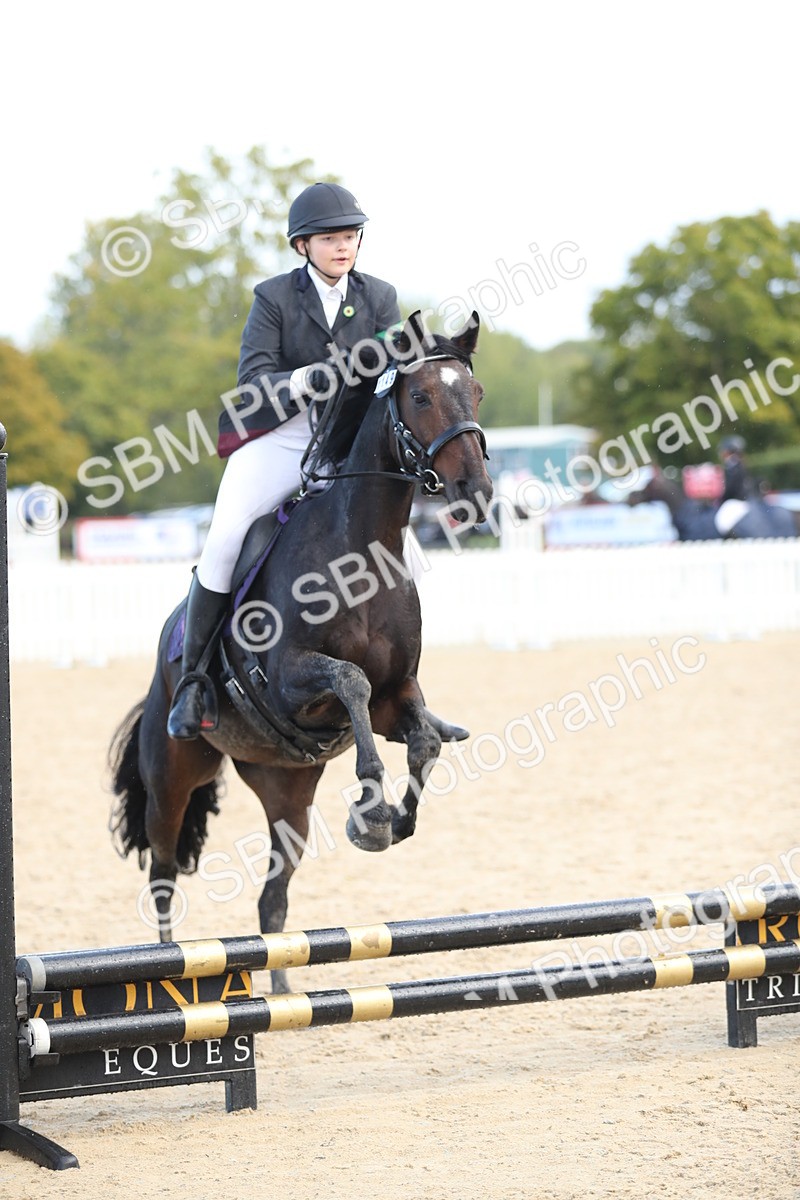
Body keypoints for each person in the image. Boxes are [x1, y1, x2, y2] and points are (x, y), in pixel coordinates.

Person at [167, 182, 399, 740]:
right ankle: (194, 681)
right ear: (302, 246)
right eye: (330, 239)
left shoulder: (380, 296)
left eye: (350, 237)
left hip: (345, 441)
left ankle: (403, 688)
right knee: (224, 541)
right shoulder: (273, 297)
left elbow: (394, 366)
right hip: (280, 437)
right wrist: (304, 379)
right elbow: (252, 380)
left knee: (401, 552)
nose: (343, 247)